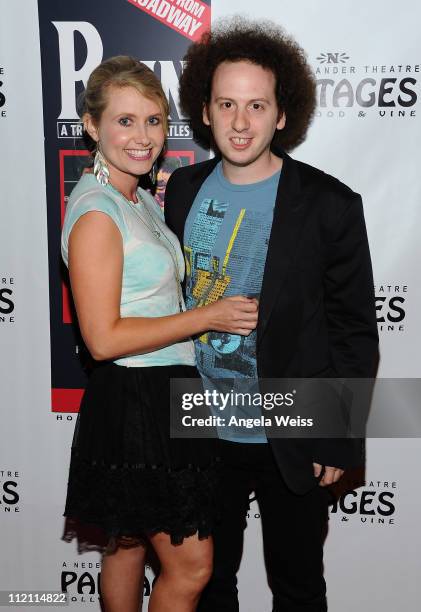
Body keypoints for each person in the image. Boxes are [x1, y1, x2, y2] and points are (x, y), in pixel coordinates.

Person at [164, 19, 379, 612]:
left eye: (256, 105)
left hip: (294, 429)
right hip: (201, 427)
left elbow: (355, 331)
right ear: (204, 111)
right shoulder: (180, 190)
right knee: (208, 584)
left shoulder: (330, 204)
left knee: (299, 587)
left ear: (282, 115)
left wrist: (338, 437)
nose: (239, 122)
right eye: (226, 104)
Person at [60, 55, 258, 612]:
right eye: (125, 121)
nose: (143, 137)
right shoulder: (100, 211)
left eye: (153, 120)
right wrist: (207, 317)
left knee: (125, 547)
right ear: (92, 127)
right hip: (138, 397)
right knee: (192, 568)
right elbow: (103, 338)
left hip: (157, 393)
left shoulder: (138, 197)